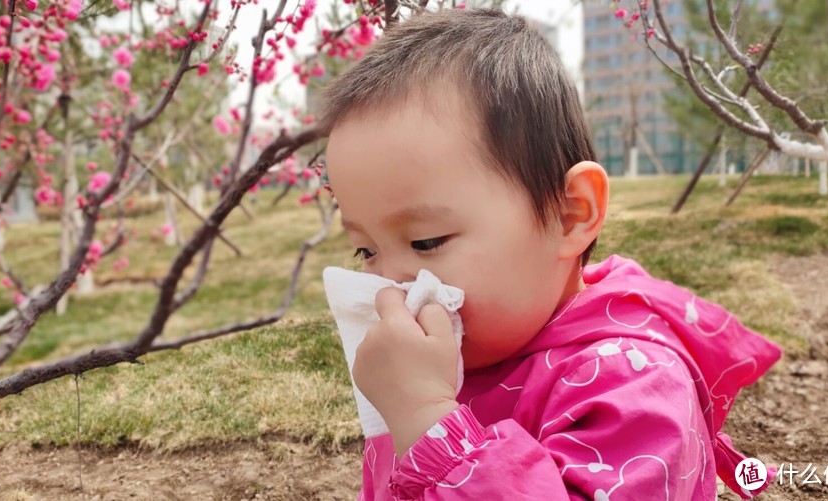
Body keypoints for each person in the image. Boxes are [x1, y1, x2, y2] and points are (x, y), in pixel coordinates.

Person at [318, 8, 782, 500]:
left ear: (570, 215)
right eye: (365, 250)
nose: (391, 289)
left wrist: (424, 418)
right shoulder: (434, 364)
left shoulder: (632, 387)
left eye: (427, 242)